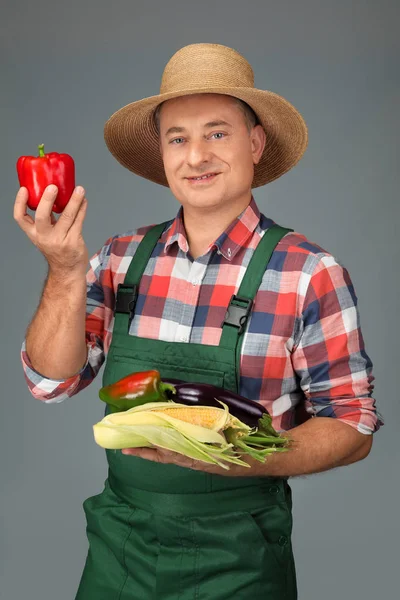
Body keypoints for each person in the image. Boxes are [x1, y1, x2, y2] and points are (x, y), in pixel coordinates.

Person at [15, 43, 384, 599]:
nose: (195, 157)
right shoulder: (119, 259)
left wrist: (247, 459)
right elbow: (51, 381)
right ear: (162, 154)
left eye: (217, 133)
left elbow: (353, 426)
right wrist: (65, 271)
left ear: (255, 143)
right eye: (178, 138)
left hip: (241, 558)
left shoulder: (309, 273)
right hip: (121, 552)